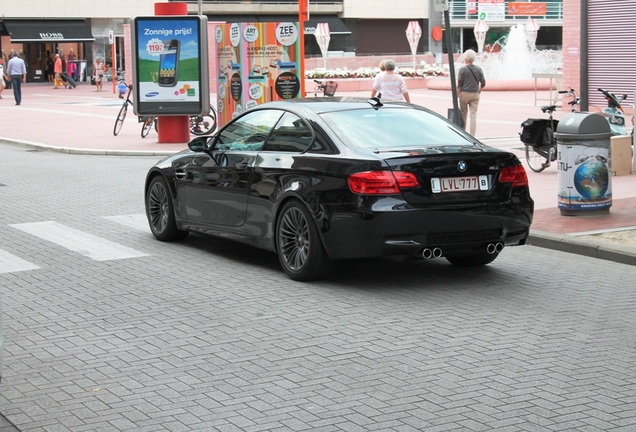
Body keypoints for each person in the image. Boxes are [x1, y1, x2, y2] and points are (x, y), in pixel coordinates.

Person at [457, 49, 486, 136]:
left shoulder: (462, 69)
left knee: (463, 115)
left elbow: (459, 84)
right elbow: (483, 83)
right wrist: (479, 90)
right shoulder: (478, 69)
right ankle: (472, 135)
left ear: (466, 58)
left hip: (464, 94)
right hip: (475, 94)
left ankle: (463, 134)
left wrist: (457, 95)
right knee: (473, 116)